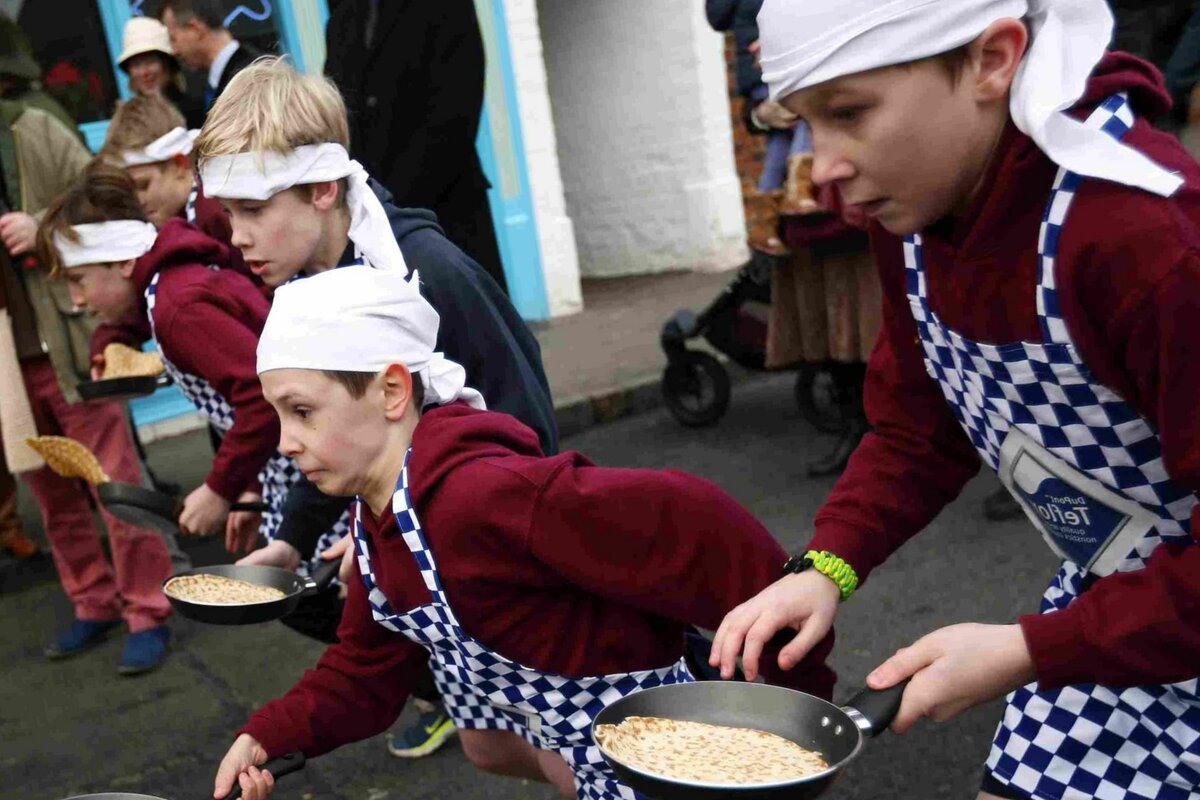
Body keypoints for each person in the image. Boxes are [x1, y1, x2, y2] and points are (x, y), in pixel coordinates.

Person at [712, 2, 1200, 799]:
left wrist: (1029, 651)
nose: (822, 168)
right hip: (1122, 611)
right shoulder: (915, 210)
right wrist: (825, 567)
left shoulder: (1144, 240)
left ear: (991, 60)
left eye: (848, 113)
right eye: (805, 123)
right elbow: (918, 426)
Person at [209, 264, 836, 800]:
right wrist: (268, 734)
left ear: (392, 391)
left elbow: (689, 521)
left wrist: (798, 705)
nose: (286, 444)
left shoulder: (486, 498)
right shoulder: (374, 519)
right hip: (588, 760)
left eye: (302, 411)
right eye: (278, 417)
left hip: (671, 758)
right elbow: (366, 669)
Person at [194, 56, 557, 756]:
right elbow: (334, 426)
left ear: (325, 188)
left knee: (556, 745)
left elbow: (526, 420)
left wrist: (407, 530)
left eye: (252, 210)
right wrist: (292, 537)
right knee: (491, 746)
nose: (235, 237)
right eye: (227, 213)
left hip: (501, 541)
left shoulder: (431, 273)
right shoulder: (308, 282)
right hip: (424, 544)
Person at [37, 162, 349, 644]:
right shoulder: (167, 283)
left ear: (123, 262)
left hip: (313, 455)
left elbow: (263, 399)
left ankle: (433, 691)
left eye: (79, 280)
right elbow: (134, 317)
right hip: (286, 459)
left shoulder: (177, 307)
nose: (77, 300)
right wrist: (107, 341)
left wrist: (221, 488)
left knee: (330, 598)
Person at [0, 95, 175, 673]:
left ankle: (148, 609)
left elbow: (106, 198)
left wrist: (43, 226)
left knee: (114, 483)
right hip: (7, 361)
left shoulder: (33, 127)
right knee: (51, 496)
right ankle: (93, 602)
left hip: (69, 343)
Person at [324, 0, 506, 291]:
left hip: (445, 210)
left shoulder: (444, 7)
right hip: (374, 223)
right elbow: (337, 112)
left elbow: (456, 109)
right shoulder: (343, 18)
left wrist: (395, 201)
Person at [157, 0, 262, 111]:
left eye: (173, 39)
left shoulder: (254, 78)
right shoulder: (214, 83)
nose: (174, 51)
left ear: (195, 29)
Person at [115, 15, 204, 129]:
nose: (144, 72)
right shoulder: (126, 121)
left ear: (167, 65)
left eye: (150, 62)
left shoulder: (195, 111)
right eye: (136, 65)